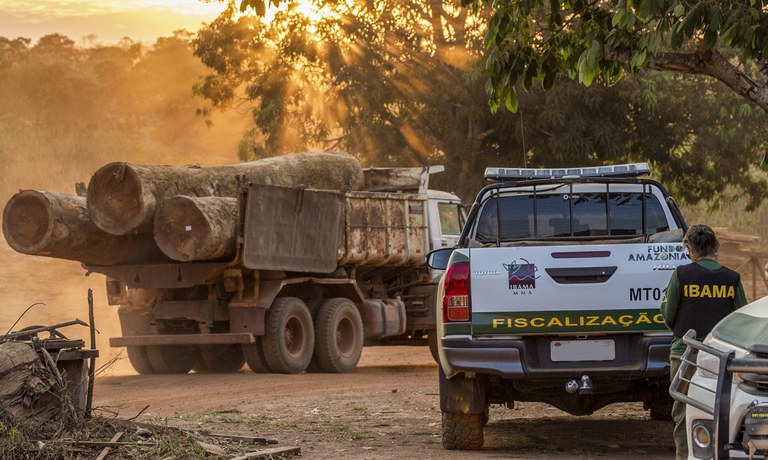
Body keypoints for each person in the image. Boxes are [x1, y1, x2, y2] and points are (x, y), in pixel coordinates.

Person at [660, 224, 747, 460]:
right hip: (720, 357)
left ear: (689, 248)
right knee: (722, 409)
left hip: (685, 353)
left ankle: (685, 456)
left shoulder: (681, 275)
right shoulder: (732, 278)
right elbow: (740, 317)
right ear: (715, 247)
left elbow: (668, 314)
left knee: (683, 410)